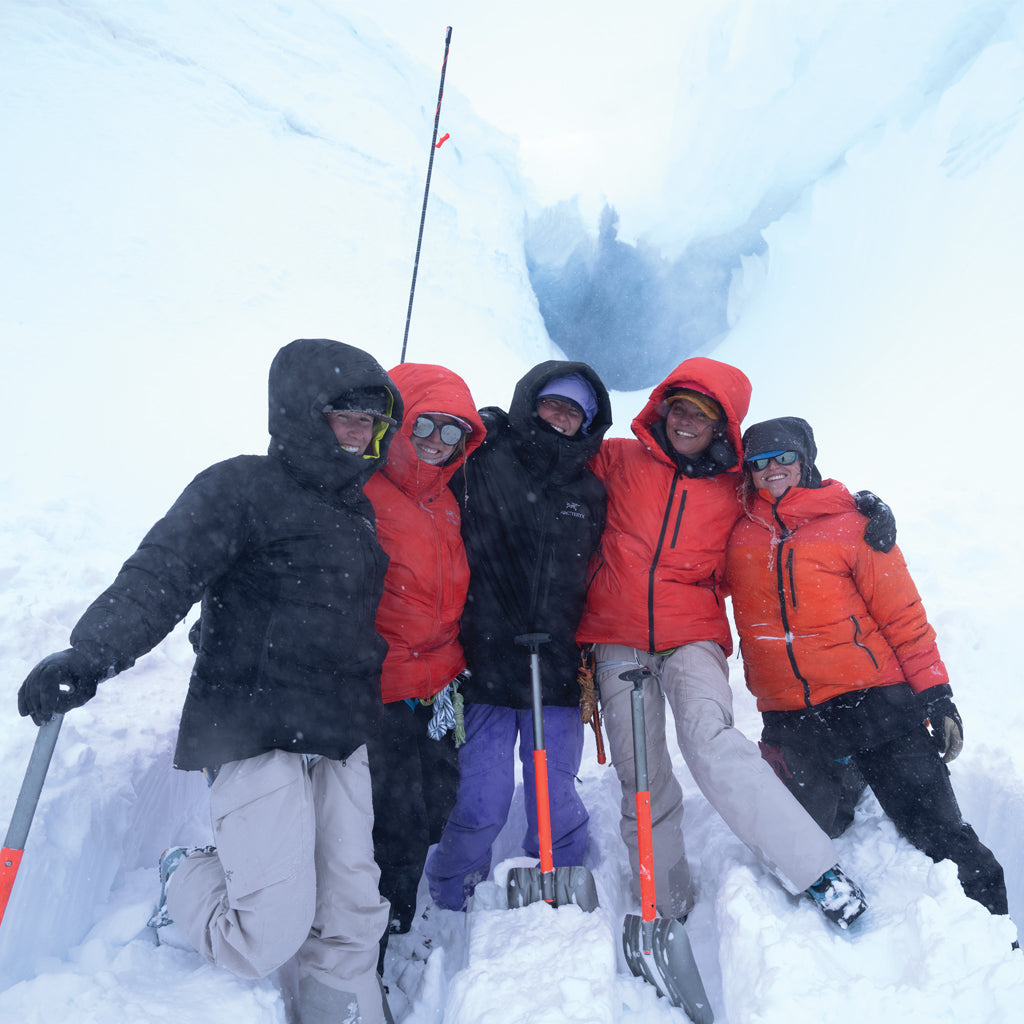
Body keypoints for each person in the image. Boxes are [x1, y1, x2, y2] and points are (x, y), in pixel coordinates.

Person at [17, 338, 402, 1024]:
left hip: (342, 730)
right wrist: (91, 653)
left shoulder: (358, 511)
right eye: (346, 417)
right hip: (253, 724)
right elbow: (162, 575)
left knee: (352, 907)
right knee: (267, 933)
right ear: (300, 413)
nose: (360, 435)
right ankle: (182, 878)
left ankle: (340, 1006)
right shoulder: (241, 487)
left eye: (371, 425)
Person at [577, 356, 894, 929]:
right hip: (616, 636)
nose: (686, 423)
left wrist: (858, 508)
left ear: (722, 424)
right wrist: (503, 428)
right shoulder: (618, 460)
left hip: (692, 634)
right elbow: (553, 466)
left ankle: (819, 871)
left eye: (702, 415)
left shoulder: (735, 487)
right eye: (679, 409)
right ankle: (666, 907)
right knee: (640, 772)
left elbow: (796, 504)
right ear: (661, 410)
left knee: (713, 741)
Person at [725, 415, 1008, 918]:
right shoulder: (736, 534)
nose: (772, 470)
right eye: (759, 462)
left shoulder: (855, 527)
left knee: (937, 829)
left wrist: (936, 695)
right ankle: (849, 772)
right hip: (793, 714)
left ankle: (993, 927)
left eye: (784, 458)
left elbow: (904, 619)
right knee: (817, 827)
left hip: (875, 701)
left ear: (805, 459)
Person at [424, 362, 613, 911]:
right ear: (530, 402)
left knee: (554, 797)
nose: (561, 415)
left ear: (588, 423)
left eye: (574, 410)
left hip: (556, 666)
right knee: (482, 799)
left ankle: (563, 882)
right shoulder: (484, 456)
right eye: (553, 403)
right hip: (483, 659)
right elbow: (425, 471)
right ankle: (450, 892)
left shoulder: (591, 490)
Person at [363, 362, 484, 946]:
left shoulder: (445, 500)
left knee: (437, 803)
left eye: (453, 431)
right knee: (395, 818)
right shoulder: (360, 491)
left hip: (438, 685)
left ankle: (390, 910)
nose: (438, 442)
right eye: (426, 425)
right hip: (378, 687)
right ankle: (379, 924)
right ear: (400, 421)